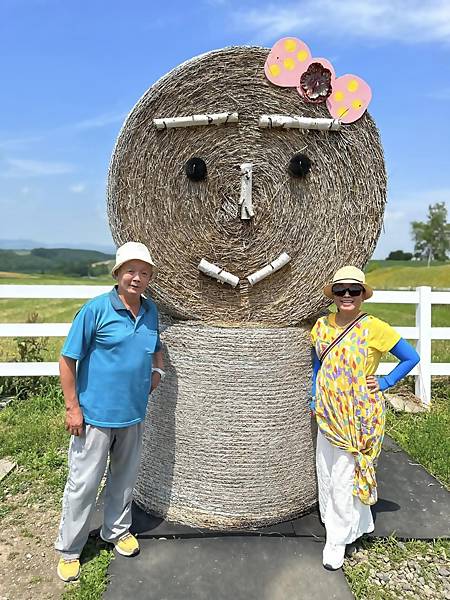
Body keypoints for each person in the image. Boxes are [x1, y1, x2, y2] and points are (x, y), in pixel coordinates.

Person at [55, 241, 165, 582]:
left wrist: (157, 374)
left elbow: (155, 350)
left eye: (144, 273)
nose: (137, 278)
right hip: (94, 417)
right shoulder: (95, 310)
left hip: (133, 415)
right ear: (117, 274)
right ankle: (70, 549)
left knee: (124, 478)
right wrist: (73, 408)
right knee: (84, 483)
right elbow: (67, 359)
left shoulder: (150, 312)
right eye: (130, 271)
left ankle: (116, 531)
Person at [311, 265, 419, 571]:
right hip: (328, 409)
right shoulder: (321, 327)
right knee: (326, 467)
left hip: (358, 412)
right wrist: (314, 394)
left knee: (346, 471)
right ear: (333, 295)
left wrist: (385, 382)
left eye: (354, 290)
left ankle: (337, 539)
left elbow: (411, 356)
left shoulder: (374, 327)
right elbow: (319, 365)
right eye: (341, 290)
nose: (347, 296)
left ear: (362, 295)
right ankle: (357, 521)